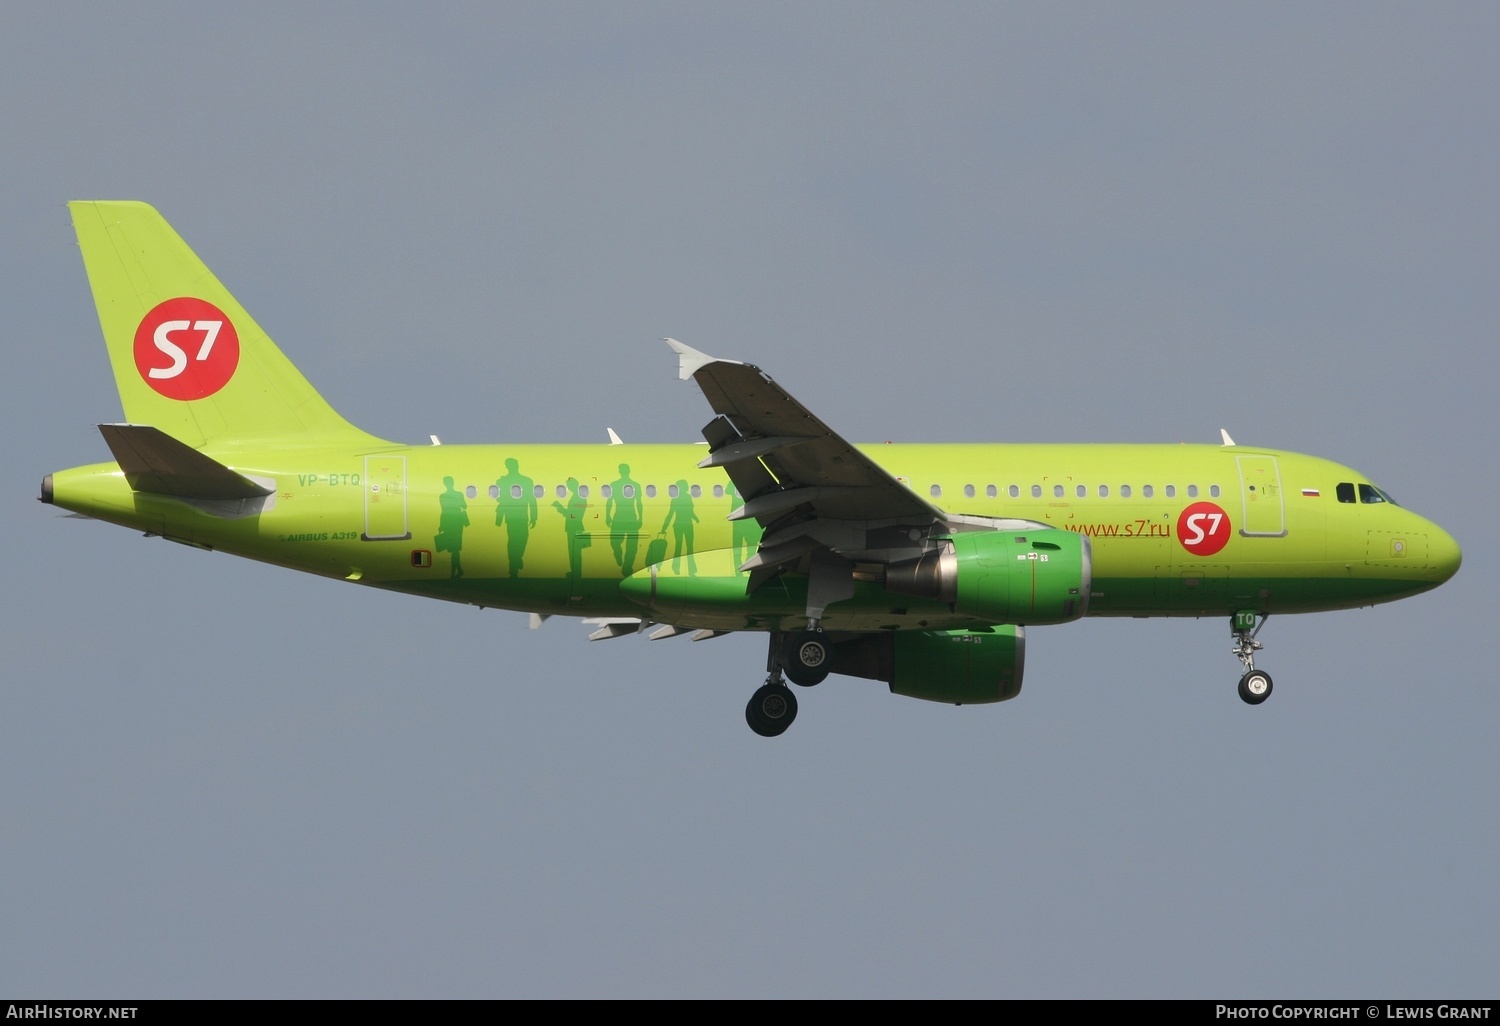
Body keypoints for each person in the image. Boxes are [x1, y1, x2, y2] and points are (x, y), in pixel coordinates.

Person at [494, 458, 537, 578]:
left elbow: (532, 500)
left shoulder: (525, 481)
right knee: (514, 540)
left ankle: (516, 559)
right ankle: (514, 565)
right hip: (513, 516)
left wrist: (534, 517)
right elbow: (500, 499)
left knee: (521, 540)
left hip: (520, 516)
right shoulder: (506, 481)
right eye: (511, 465)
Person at [605, 463, 644, 577]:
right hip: (619, 515)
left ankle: (627, 567)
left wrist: (640, 517)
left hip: (631, 516)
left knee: (632, 545)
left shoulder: (635, 485)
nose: (624, 472)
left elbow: (639, 502)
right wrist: (607, 515)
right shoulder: (614, 485)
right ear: (621, 472)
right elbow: (609, 501)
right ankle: (617, 552)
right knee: (614, 542)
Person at [659, 479, 698, 576]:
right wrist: (696, 518)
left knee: (679, 547)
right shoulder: (687, 498)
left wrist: (664, 528)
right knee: (689, 548)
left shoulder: (676, 499)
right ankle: (691, 570)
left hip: (678, 525)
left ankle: (677, 569)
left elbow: (670, 514)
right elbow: (689, 511)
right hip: (687, 525)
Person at [435, 476, 468, 578]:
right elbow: (463, 506)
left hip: (452, 522)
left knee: (454, 549)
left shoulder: (444, 496)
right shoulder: (454, 495)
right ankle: (458, 570)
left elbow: (444, 511)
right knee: (454, 549)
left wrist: (441, 525)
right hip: (455, 522)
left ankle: (455, 572)